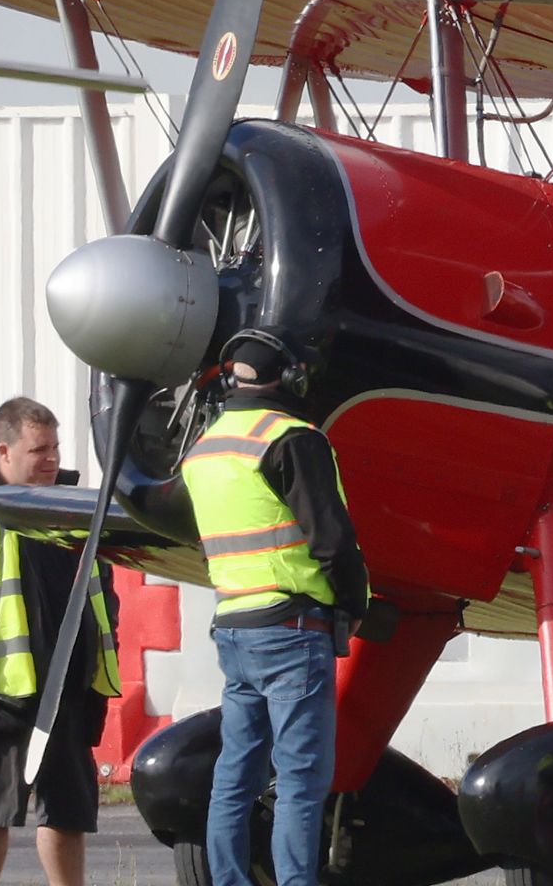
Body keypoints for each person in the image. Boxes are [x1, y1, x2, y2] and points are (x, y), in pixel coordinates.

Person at [180, 329, 370, 886]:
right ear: (288, 378)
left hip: (234, 627)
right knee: (301, 780)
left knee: (235, 776)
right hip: (291, 628)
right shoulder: (291, 438)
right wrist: (354, 603)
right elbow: (332, 540)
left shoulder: (206, 448)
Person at [0, 396, 121, 886]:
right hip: (3, 690)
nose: (52, 459)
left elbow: (105, 595)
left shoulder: (78, 511)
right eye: (40, 450)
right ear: (5, 452)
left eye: (55, 447)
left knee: (68, 810)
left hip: (72, 687)